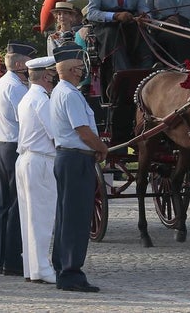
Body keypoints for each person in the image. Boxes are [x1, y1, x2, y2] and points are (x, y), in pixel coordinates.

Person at [48, 44, 109, 292]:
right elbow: (82, 131)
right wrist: (101, 147)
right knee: (75, 218)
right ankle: (71, 272)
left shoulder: (60, 91)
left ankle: (63, 266)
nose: (83, 69)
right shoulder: (70, 94)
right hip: (76, 158)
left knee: (66, 215)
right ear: (73, 68)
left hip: (68, 157)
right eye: (80, 65)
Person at [0, 41, 36, 276]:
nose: (30, 68)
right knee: (16, 207)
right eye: (28, 63)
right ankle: (13, 259)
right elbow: (26, 119)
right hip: (14, 146)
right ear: (19, 63)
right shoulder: (17, 87)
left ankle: (5, 259)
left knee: (6, 206)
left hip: (3, 146)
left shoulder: (1, 84)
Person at [15, 55, 57, 284]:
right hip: (40, 160)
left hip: (27, 159)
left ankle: (32, 267)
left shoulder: (27, 97)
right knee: (41, 217)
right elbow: (55, 134)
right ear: (46, 75)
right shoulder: (42, 100)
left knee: (29, 218)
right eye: (51, 74)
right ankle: (42, 267)